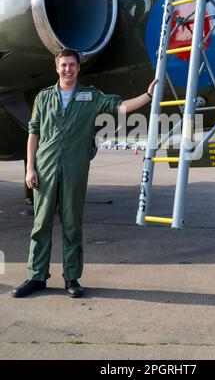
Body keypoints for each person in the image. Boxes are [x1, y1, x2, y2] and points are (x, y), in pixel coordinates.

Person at [12, 49, 157, 298]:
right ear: (57, 68)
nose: (67, 69)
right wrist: (29, 168)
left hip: (75, 168)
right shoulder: (43, 97)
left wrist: (147, 95)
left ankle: (71, 278)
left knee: (71, 224)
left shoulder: (91, 96)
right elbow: (33, 133)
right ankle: (36, 277)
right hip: (45, 168)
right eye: (63, 65)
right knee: (41, 224)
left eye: (71, 65)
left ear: (78, 68)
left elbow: (120, 107)